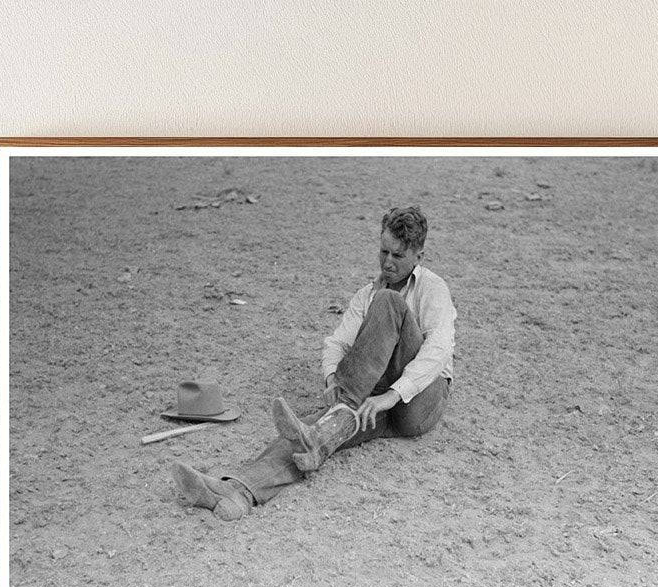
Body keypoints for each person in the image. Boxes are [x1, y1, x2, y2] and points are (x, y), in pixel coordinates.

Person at [172, 205, 457, 521]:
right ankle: (236, 491)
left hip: (419, 403)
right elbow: (337, 342)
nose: (387, 263)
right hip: (373, 401)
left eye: (398, 256)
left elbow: (439, 350)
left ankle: (339, 413)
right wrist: (333, 377)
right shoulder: (367, 293)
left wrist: (390, 395)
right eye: (383, 251)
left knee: (389, 303)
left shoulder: (433, 288)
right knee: (307, 434)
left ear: (419, 256)